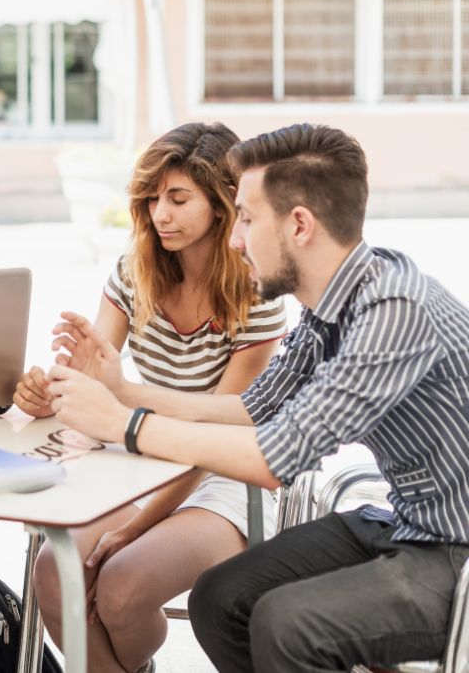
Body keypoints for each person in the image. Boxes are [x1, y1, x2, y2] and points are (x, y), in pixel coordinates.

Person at [46, 123, 469, 672]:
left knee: (286, 624)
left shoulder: (394, 311)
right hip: (407, 522)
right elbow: (251, 408)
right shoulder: (331, 305)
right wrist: (123, 391)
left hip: (454, 550)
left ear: (298, 225)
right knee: (218, 601)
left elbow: (272, 457)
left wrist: (124, 422)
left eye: (245, 217)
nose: (236, 237)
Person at [14, 122, 286, 672]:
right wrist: (48, 392)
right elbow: (92, 381)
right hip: (137, 465)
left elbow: (214, 442)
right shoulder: (132, 274)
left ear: (221, 203)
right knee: (54, 571)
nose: (160, 213)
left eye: (178, 198)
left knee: (120, 587)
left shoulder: (259, 296)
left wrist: (133, 529)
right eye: (153, 198)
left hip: (220, 481)